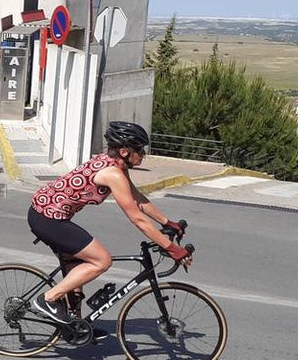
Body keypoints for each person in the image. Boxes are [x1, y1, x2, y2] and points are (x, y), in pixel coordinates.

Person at [27, 120, 190, 324]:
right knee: (102, 260)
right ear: (124, 151)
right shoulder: (113, 174)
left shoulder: (115, 166)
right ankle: (47, 300)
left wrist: (167, 222)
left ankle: (75, 324)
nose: (143, 155)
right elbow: (137, 219)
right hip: (48, 219)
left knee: (78, 264)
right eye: (140, 150)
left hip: (46, 215)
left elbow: (136, 197)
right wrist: (172, 248)